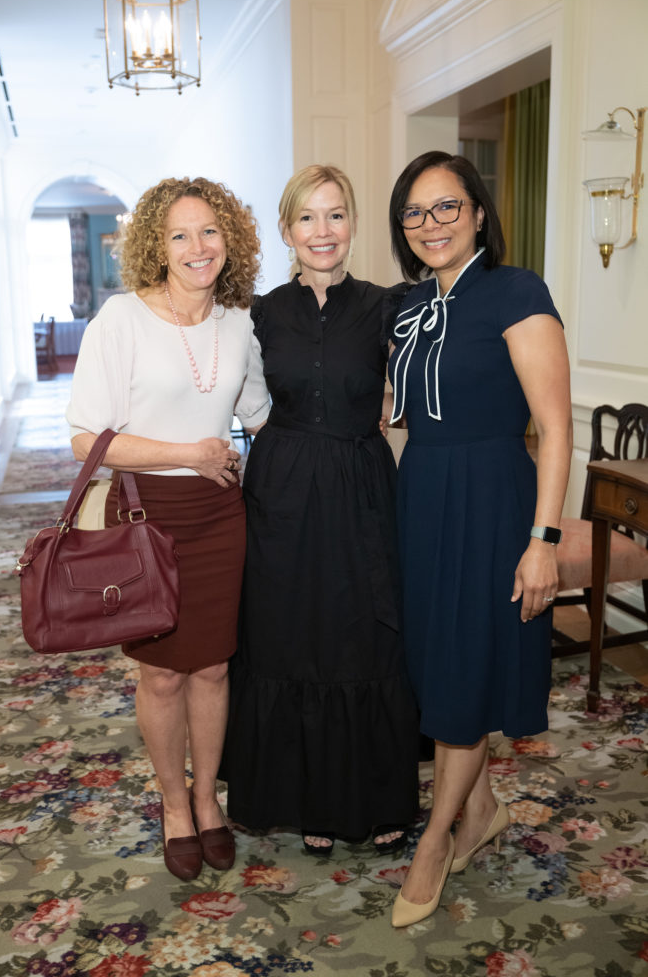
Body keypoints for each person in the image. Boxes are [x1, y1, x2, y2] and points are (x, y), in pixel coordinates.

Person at [385, 151, 572, 926]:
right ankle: (484, 808)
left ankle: (435, 844)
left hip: (492, 501)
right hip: (422, 498)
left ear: (479, 213)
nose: (432, 224)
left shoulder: (516, 291)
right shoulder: (406, 306)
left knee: (463, 671)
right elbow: (394, 417)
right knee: (438, 668)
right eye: (416, 213)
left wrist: (545, 540)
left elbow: (558, 428)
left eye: (447, 208)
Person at [66, 177, 270, 881]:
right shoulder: (120, 322)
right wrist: (191, 454)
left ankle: (208, 797)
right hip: (145, 515)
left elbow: (263, 410)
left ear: (230, 240)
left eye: (209, 231)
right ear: (157, 243)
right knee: (159, 676)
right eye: (180, 234)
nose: (197, 247)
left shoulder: (239, 321)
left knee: (213, 666)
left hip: (219, 516)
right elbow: (87, 439)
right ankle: (173, 805)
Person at [222, 164, 419, 855]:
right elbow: (242, 398)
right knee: (291, 635)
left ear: (353, 224)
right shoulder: (262, 312)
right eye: (307, 218)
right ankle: (308, 803)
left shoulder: (386, 305)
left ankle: (380, 796)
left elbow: (419, 379)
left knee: (366, 633)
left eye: (335, 215)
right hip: (281, 491)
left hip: (362, 485)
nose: (322, 231)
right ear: (286, 231)